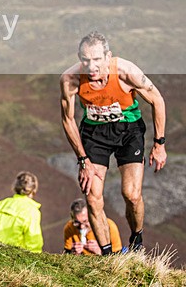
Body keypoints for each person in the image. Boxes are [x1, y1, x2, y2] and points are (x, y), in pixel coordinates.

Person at [60, 31, 167, 254]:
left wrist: (159, 144)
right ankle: (110, 256)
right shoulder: (70, 80)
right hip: (94, 133)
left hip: (129, 130)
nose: (91, 67)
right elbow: (68, 119)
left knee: (131, 194)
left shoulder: (127, 72)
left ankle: (136, 237)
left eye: (97, 59)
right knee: (92, 196)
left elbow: (157, 99)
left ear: (108, 57)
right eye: (85, 60)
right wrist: (83, 159)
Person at [0, 171, 44, 253]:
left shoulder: (2, 204)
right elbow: (33, 241)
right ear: (33, 190)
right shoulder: (32, 211)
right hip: (16, 257)